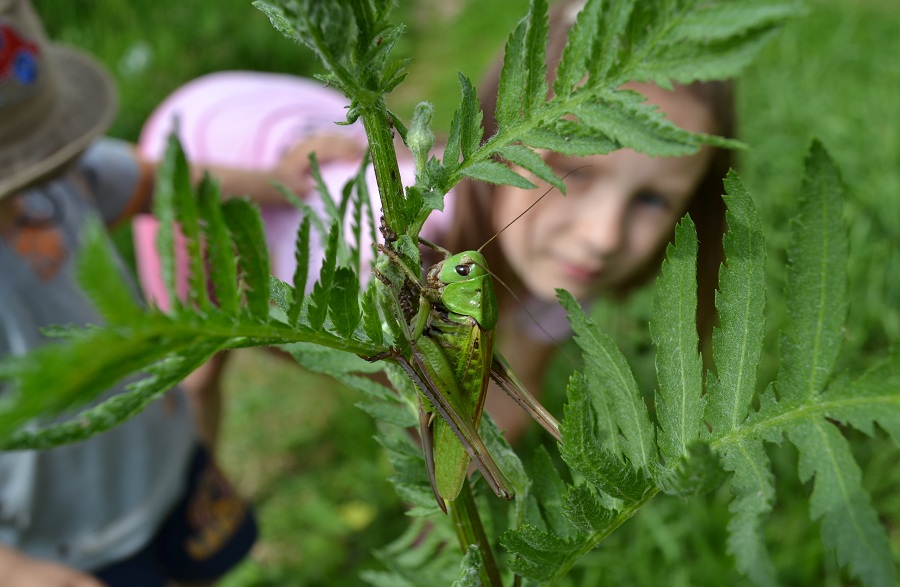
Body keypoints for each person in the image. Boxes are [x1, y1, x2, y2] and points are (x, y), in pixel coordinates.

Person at [134, 0, 731, 446]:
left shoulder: (562, 261)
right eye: (573, 175)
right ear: (506, 146)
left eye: (652, 201)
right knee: (203, 365)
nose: (602, 237)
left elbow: (510, 400)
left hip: (291, 124)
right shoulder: (374, 229)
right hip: (209, 144)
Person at [0, 1, 360, 587]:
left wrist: (277, 180)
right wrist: (11, 572)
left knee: (208, 567)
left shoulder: (63, 174)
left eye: (37, 158)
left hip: (163, 456)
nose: (31, 184)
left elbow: (157, 180)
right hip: (66, 538)